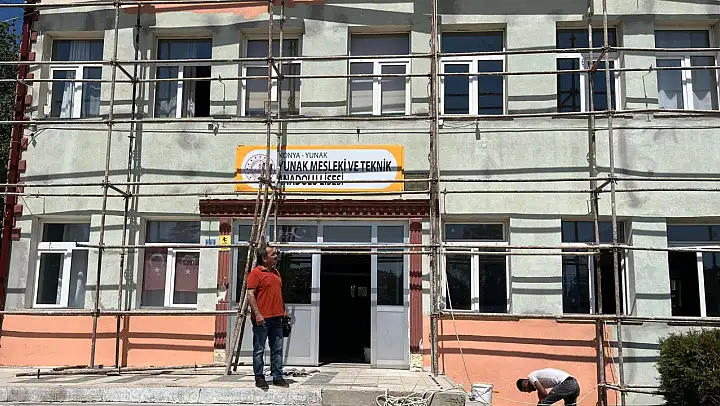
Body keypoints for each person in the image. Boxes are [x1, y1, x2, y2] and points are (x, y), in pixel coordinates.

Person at [247, 244, 289, 389]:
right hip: (262, 319)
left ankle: (277, 376)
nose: (276, 256)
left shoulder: (276, 272)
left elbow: (278, 293)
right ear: (264, 258)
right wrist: (258, 314)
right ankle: (259, 377)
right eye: (273, 254)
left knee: (277, 349)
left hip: (277, 318)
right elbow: (250, 295)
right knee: (259, 349)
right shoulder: (255, 273)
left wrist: (284, 309)